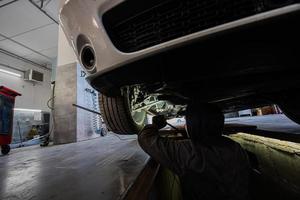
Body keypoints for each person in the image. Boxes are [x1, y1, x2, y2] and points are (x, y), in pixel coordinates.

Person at [138, 102, 250, 200]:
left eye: (187, 122)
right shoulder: (236, 148)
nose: (185, 125)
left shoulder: (188, 151)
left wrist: (154, 126)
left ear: (194, 126)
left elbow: (145, 139)